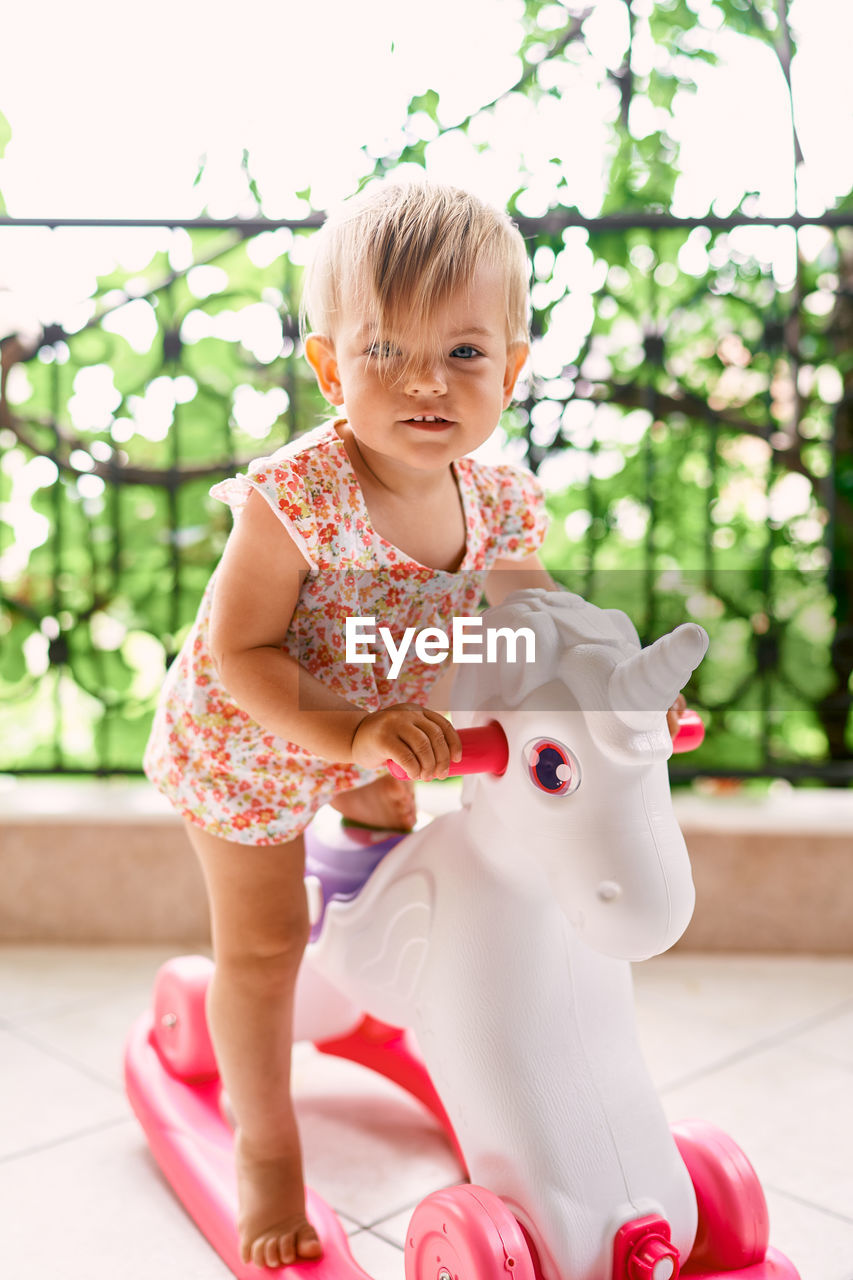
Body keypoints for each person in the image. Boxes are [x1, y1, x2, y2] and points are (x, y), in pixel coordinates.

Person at [143, 180, 683, 1268]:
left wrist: (619, 696)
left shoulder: (501, 502)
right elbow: (245, 650)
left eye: (466, 354)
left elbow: (536, 627)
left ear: (511, 369)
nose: (428, 381)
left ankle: (390, 990)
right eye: (387, 351)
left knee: (392, 845)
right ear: (331, 367)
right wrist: (342, 741)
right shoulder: (295, 494)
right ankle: (266, 1143)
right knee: (262, 943)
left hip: (381, 718)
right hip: (252, 733)